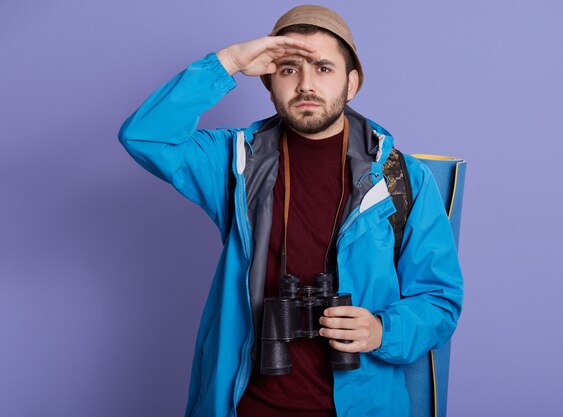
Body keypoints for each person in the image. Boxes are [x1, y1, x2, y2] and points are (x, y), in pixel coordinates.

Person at [118, 5, 463, 417]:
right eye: (288, 70)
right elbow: (144, 137)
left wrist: (381, 331)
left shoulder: (402, 177)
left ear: (351, 83)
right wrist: (227, 62)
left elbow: (439, 300)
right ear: (267, 81)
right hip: (248, 404)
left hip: (361, 405)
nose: (305, 85)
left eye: (322, 68)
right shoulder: (234, 161)